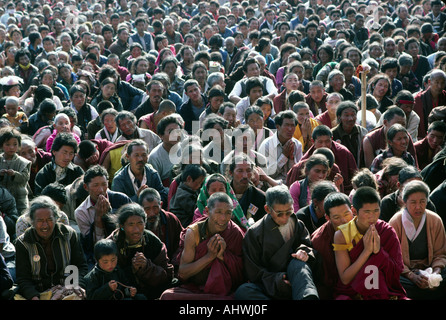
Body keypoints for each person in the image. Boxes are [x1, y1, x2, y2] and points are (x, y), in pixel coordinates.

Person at [235, 185, 319, 300]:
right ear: (267, 209)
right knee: (243, 291)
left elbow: (307, 246)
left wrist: (303, 252)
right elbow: (253, 270)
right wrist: (278, 279)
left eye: (289, 212)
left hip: (296, 280)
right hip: (270, 284)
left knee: (299, 265)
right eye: (279, 213)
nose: (285, 218)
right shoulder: (255, 232)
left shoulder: (297, 224)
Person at [160, 192, 244, 300]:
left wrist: (223, 256)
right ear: (207, 211)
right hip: (194, 288)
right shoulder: (194, 232)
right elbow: (183, 273)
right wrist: (210, 256)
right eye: (218, 212)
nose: (223, 218)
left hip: (224, 291)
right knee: (167, 296)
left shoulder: (235, 232)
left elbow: (241, 273)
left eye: (228, 213)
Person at [332, 186, 408, 300]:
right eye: (367, 212)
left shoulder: (387, 231)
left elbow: (397, 271)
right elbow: (345, 278)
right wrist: (366, 252)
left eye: (376, 210)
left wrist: (379, 252)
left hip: (384, 290)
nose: (372, 217)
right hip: (353, 293)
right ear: (354, 211)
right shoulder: (342, 235)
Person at [15, 196, 88, 300]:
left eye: (49, 219)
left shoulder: (69, 235)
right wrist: (34, 296)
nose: (45, 225)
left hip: (66, 290)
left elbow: (80, 266)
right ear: (32, 222)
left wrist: (74, 286)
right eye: (40, 220)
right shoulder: (23, 243)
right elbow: (23, 278)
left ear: (56, 219)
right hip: (38, 293)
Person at [389, 180, 446, 300]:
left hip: (429, 267)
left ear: (427, 201)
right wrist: (411, 276)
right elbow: (392, 257)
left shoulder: (435, 220)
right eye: (413, 202)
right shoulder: (396, 222)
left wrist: (435, 273)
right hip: (405, 273)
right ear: (404, 202)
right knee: (393, 280)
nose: (418, 207)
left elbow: (440, 253)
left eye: (422, 202)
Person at [107, 203, 174, 299]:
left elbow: (167, 276)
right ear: (122, 226)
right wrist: (132, 270)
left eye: (140, 223)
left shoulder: (152, 241)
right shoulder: (112, 245)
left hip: (152, 291)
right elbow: (106, 276)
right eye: (131, 224)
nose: (136, 230)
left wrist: (147, 267)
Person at [75, 165, 132, 266]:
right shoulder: (81, 212)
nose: (101, 190)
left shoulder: (121, 199)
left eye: (104, 184)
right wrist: (98, 219)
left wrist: (110, 214)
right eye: (95, 185)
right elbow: (92, 244)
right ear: (86, 187)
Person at [311, 192, 354, 300]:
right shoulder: (319, 241)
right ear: (327, 218)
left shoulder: (363, 225)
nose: (344, 221)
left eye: (346, 214)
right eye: (336, 217)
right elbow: (325, 280)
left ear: (353, 210)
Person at [111, 139, 168, 204]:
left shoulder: (152, 174)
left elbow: (163, 196)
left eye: (144, 155)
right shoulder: (119, 179)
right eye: (136, 155)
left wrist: (151, 197)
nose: (140, 159)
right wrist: (137, 197)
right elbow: (118, 205)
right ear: (128, 156)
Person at [138, 188, 183, 265]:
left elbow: (182, 243)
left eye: (155, 208)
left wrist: (175, 260)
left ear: (161, 205)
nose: (152, 213)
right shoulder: (136, 223)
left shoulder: (170, 219)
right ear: (140, 208)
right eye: (147, 209)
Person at [258, 110, 303, 183]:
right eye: (286, 125)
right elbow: (267, 174)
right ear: (278, 127)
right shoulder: (267, 145)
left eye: (292, 126)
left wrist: (291, 159)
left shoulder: (297, 145)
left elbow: (299, 173)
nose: (290, 129)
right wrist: (284, 156)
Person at [228, 154, 267, 230]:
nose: (245, 176)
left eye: (249, 171)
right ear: (231, 173)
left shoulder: (260, 197)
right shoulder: (223, 194)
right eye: (240, 171)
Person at [0, 127, 31, 215]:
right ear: (2, 145)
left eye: (15, 144)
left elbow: (25, 178)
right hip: (2, 200)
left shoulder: (23, 162)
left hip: (19, 200)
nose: (11, 147)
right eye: (8, 144)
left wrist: (14, 174)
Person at [331, 101, 368, 165]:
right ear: (339, 117)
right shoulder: (332, 134)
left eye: (353, 115)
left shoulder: (362, 132)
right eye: (346, 115)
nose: (350, 119)